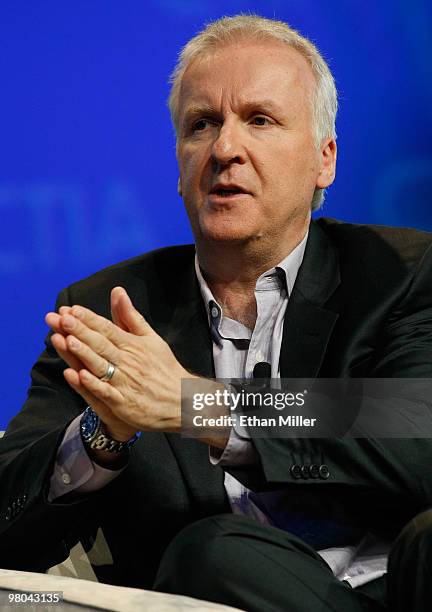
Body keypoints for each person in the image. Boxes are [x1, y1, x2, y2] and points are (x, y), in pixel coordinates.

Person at [1, 14, 432, 612]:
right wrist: (103, 436)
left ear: (323, 160)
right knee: (214, 552)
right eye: (202, 124)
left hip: (398, 591)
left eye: (260, 120)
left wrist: (195, 402)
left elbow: (412, 426)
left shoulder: (401, 271)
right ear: (179, 164)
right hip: (220, 585)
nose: (225, 149)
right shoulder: (108, 310)